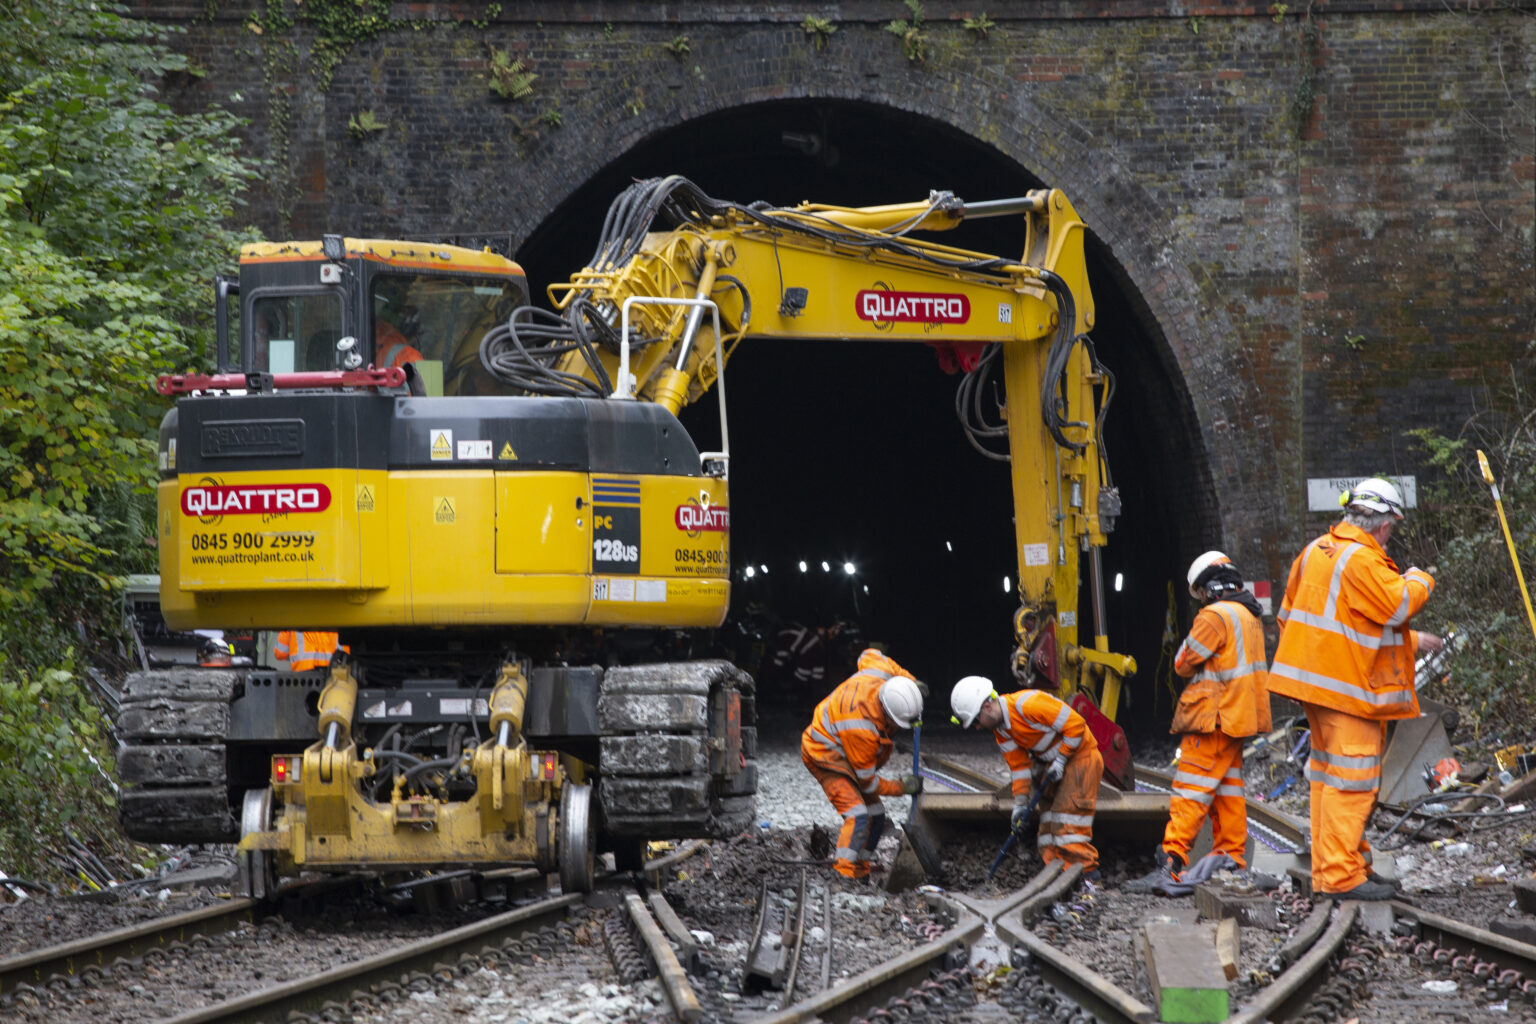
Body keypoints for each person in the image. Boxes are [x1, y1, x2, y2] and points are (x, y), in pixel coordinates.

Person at [1270, 478, 1443, 902]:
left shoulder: (1315, 552)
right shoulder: (1363, 561)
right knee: (1353, 782)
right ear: (1384, 525)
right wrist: (1421, 577)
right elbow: (1400, 603)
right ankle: (1340, 875)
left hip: (1317, 690)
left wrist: (1409, 641)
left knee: (1328, 779)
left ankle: (1345, 861)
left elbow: (1295, 616)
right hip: (1348, 693)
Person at [1145, 551, 1272, 887]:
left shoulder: (1214, 617)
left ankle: (1172, 860)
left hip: (1213, 718)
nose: (1200, 599)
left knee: (1192, 788)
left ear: (1207, 587)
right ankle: (1231, 859)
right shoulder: (1250, 614)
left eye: (1200, 593)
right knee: (1227, 792)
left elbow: (1183, 663)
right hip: (1239, 719)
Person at [950, 675, 1103, 875]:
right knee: (1047, 830)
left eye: (976, 721)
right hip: (1056, 766)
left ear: (987, 707)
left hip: (1081, 758)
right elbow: (1019, 767)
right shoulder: (1002, 731)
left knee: (1068, 825)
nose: (977, 727)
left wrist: (1061, 759)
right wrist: (1020, 805)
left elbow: (1076, 725)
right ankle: (1056, 873)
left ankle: (1087, 877)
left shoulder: (1029, 705)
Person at [800, 649, 925, 879]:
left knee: (876, 815)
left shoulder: (881, 675)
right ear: (888, 715)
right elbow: (867, 783)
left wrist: (911, 681)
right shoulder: (863, 730)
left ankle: (861, 869)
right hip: (825, 757)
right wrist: (902, 787)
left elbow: (871, 654)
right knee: (858, 814)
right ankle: (844, 874)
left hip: (842, 749)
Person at [274, 630, 345, 672]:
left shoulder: (293, 612)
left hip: (302, 677)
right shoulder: (339, 613)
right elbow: (348, 654)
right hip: (333, 676)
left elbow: (280, 653)